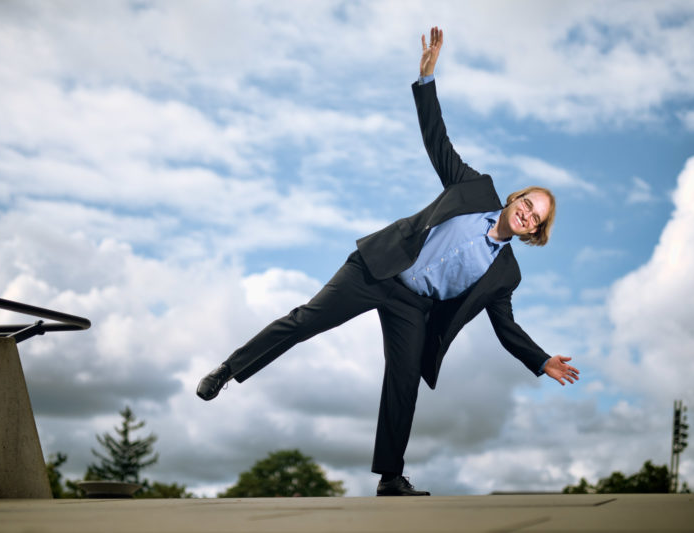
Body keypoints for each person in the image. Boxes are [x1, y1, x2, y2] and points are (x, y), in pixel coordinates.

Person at [197, 27, 579, 497]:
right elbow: (437, 140)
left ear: (535, 231)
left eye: (536, 218)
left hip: (413, 307)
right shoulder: (473, 187)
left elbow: (506, 328)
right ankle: (227, 371)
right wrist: (426, 80)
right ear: (516, 198)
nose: (527, 214)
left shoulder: (506, 273)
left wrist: (541, 361)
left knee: (403, 383)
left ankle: (390, 477)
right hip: (377, 269)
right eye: (528, 203)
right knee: (305, 320)